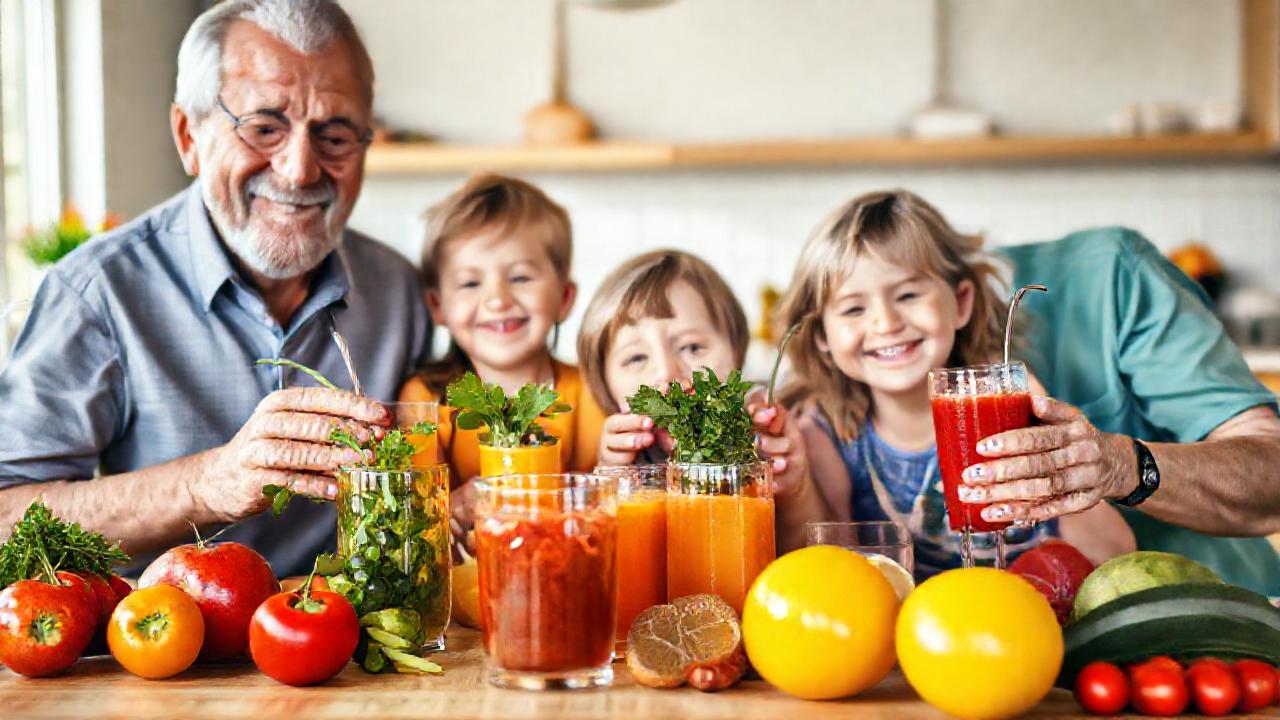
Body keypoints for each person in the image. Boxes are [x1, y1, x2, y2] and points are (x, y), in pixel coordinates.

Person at [0, 0, 429, 578]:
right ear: (188, 136)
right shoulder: (96, 292)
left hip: (353, 650)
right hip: (166, 652)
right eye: (263, 128)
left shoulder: (398, 288)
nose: (300, 170)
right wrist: (208, 483)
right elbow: (5, 520)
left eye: (334, 136)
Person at [778, 190, 1135, 578]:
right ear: (822, 338)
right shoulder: (827, 433)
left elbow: (1113, 553)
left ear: (961, 302)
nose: (885, 323)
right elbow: (828, 575)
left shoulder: (1010, 405)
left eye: (908, 294)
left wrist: (1055, 455)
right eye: (853, 308)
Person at [576, 250, 824, 552]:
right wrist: (610, 482)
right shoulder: (618, 459)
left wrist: (795, 489)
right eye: (637, 357)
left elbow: (806, 551)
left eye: (692, 347)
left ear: (736, 357)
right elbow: (596, 562)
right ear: (606, 387)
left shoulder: (759, 441)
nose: (667, 372)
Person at [398, 174, 605, 485]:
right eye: (470, 283)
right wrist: (454, 506)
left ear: (564, 298)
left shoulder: (594, 393)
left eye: (520, 278)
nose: (497, 300)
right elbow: (415, 504)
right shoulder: (426, 400)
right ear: (437, 306)